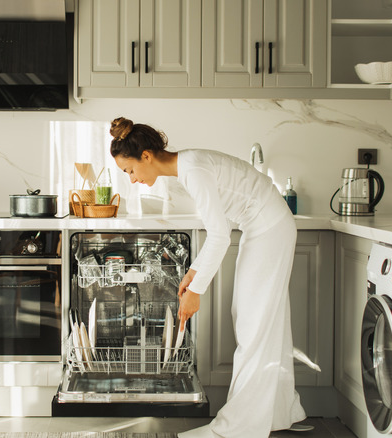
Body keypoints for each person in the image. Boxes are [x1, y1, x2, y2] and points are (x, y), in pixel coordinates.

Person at [109, 117, 309, 438]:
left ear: (146, 156)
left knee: (254, 325)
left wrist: (196, 291)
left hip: (269, 227)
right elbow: (221, 231)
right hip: (263, 226)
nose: (131, 179)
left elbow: (219, 235)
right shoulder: (188, 164)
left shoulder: (193, 170)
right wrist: (193, 273)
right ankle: (277, 412)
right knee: (259, 321)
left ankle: (235, 429)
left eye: (129, 170)